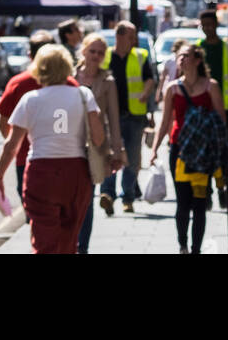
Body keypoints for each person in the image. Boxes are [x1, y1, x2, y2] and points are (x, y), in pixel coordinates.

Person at [0, 45, 104, 255]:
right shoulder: (84, 95)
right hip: (76, 172)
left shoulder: (31, 100)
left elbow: (11, 146)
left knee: (44, 241)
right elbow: (98, 138)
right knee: (69, 241)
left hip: (41, 172)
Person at [150, 43, 225, 254]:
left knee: (199, 203)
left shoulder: (211, 86)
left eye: (186, 56)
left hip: (203, 152)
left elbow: (221, 121)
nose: (181, 60)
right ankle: (182, 244)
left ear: (198, 60)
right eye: (179, 57)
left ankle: (196, 249)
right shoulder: (172, 88)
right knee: (183, 202)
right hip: (179, 150)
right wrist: (155, 149)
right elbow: (165, 122)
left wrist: (221, 152)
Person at [0, 29, 78, 205]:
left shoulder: (18, 83)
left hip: (29, 161)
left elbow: (4, 125)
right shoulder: (72, 85)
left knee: (36, 217)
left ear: (30, 55)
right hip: (70, 160)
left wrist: (15, 148)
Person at [74, 34, 124, 254]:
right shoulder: (69, 76)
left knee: (86, 198)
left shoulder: (108, 81)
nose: (95, 56)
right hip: (69, 142)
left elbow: (113, 119)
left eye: (100, 53)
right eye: (92, 51)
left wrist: (117, 151)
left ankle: (82, 247)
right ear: (83, 51)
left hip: (95, 145)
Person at [98, 20, 154, 215]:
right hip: (109, 117)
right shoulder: (104, 57)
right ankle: (107, 195)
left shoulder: (140, 56)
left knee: (131, 158)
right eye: (131, 37)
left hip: (134, 116)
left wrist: (146, 94)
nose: (134, 40)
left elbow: (149, 79)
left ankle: (128, 197)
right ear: (119, 36)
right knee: (109, 156)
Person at [196, 8, 228, 207]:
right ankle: (206, 191)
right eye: (204, 25)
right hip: (202, 108)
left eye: (210, 24)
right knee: (204, 151)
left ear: (216, 24)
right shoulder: (197, 49)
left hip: (223, 108)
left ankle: (222, 187)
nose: (208, 28)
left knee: (223, 149)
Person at [157, 38, 187, 106]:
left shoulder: (187, 62)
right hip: (170, 91)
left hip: (182, 91)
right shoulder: (169, 61)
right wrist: (159, 93)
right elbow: (162, 78)